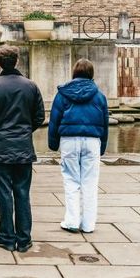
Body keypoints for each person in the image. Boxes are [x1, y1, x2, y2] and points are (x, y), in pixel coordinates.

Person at [0, 45, 45, 253]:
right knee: (23, 192)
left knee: (3, 192)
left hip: (0, 146)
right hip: (23, 147)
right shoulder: (31, 86)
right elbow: (39, 116)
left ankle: (6, 236)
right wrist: (24, 131)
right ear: (17, 61)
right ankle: (24, 238)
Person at [48, 58, 109, 235]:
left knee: (71, 180)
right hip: (92, 141)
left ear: (74, 72)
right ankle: (89, 224)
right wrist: (103, 146)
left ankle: (72, 221)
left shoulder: (63, 94)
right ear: (91, 74)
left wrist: (53, 143)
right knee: (90, 183)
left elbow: (54, 119)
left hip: (69, 139)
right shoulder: (99, 95)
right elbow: (105, 124)